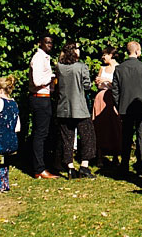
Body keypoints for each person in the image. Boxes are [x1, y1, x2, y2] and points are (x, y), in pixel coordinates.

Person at [55, 42, 96, 179]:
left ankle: (70, 168)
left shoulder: (59, 67)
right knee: (88, 136)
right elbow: (87, 85)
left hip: (63, 107)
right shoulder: (81, 67)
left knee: (67, 138)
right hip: (80, 108)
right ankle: (84, 166)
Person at [112, 41, 142, 174]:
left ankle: (124, 164)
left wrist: (118, 104)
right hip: (141, 106)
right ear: (137, 51)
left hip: (125, 107)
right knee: (141, 136)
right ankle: (140, 164)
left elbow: (115, 91)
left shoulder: (119, 68)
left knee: (126, 136)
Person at [29, 35, 58, 180]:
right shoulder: (39, 58)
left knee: (44, 133)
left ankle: (42, 165)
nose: (50, 45)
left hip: (45, 98)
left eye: (51, 43)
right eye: (47, 42)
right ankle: (39, 168)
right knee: (40, 134)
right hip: (39, 99)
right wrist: (52, 77)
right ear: (40, 43)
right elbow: (37, 80)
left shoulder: (45, 57)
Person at [92, 46, 123, 169]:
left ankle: (116, 155)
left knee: (114, 126)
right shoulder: (102, 68)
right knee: (99, 126)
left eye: (105, 54)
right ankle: (99, 155)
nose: (103, 57)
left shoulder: (119, 68)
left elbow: (120, 85)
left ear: (111, 55)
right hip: (101, 97)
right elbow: (99, 84)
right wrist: (98, 81)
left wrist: (107, 80)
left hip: (113, 98)